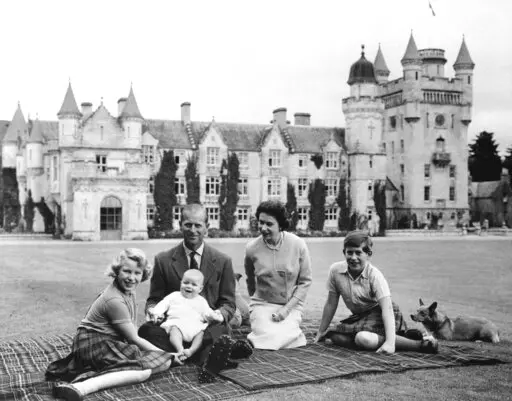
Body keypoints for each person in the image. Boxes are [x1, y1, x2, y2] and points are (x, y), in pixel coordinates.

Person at [46, 248, 182, 401]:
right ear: (117, 271)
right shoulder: (114, 300)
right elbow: (134, 339)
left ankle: (94, 376)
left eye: (137, 273)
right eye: (126, 271)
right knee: (146, 368)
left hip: (106, 341)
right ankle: (80, 387)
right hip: (92, 343)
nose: (132, 278)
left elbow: (131, 329)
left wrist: (164, 356)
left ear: (143, 274)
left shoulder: (128, 290)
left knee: (159, 362)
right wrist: (168, 354)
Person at [138, 203, 252, 382]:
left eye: (198, 225)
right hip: (174, 331)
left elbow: (228, 303)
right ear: (180, 224)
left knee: (221, 329)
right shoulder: (163, 260)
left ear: (207, 227)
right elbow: (154, 299)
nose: (193, 230)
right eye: (188, 224)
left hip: (205, 329)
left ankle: (185, 355)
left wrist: (219, 315)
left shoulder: (223, 261)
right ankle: (209, 355)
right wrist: (153, 312)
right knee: (145, 331)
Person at [314, 231, 438, 354]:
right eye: (349, 252)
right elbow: (331, 303)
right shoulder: (335, 271)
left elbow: (387, 309)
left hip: (383, 313)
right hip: (360, 317)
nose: (353, 257)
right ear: (344, 253)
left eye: (358, 252)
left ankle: (419, 344)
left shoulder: (375, 276)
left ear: (368, 254)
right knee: (334, 336)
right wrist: (321, 331)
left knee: (363, 338)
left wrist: (390, 343)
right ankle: (404, 337)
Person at [244, 200, 312, 350]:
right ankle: (263, 333)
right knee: (271, 334)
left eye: (269, 224)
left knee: (283, 336)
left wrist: (287, 309)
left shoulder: (298, 245)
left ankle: (267, 338)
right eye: (261, 223)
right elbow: (250, 280)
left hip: (290, 305)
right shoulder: (251, 248)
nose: (263, 228)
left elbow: (305, 282)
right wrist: (256, 305)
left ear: (280, 225)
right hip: (262, 304)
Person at [149, 269, 223, 361]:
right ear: (181, 283)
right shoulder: (174, 296)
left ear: (200, 289)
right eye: (186, 283)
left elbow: (207, 313)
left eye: (194, 284)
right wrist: (156, 312)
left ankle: (191, 350)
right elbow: (163, 304)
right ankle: (180, 349)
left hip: (194, 327)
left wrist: (214, 315)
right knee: (174, 330)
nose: (189, 286)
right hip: (177, 324)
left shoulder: (201, 301)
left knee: (201, 334)